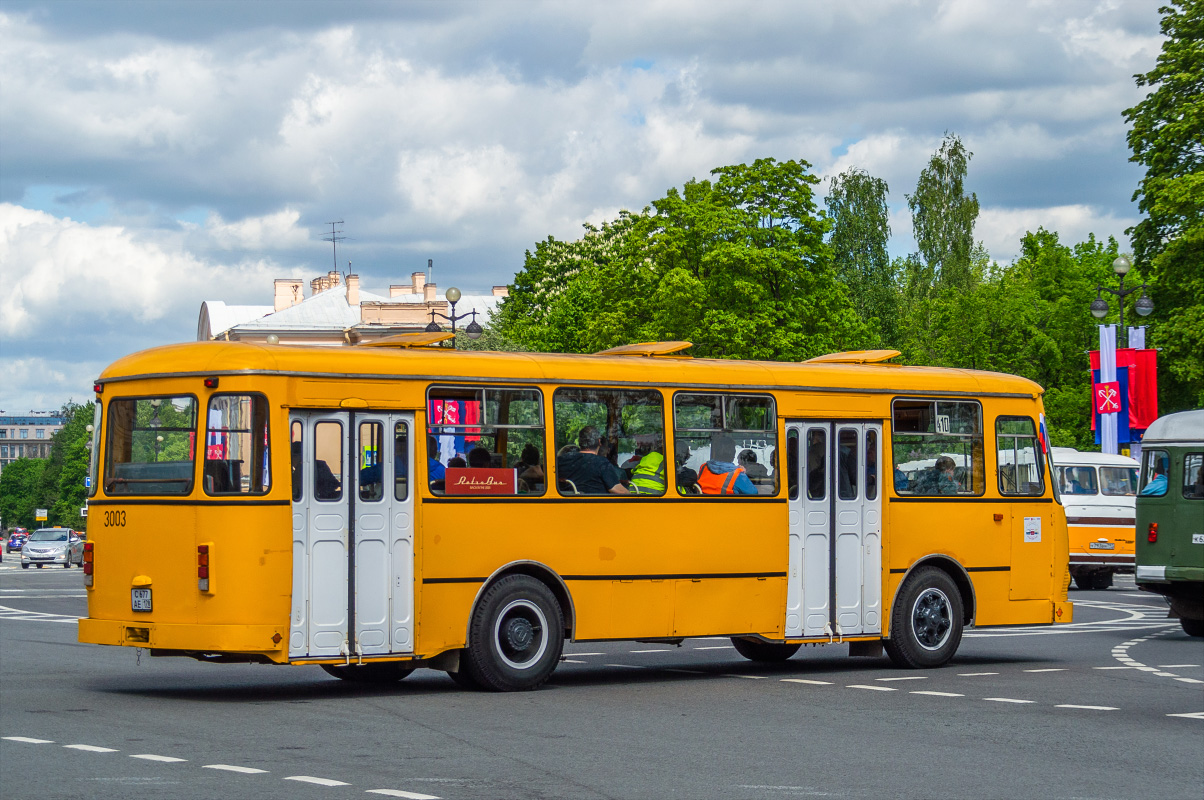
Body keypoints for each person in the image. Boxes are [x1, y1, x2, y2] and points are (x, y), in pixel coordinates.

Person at [557, 426, 629, 495]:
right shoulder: (602, 463)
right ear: (599, 442)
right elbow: (618, 490)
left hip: (566, 505)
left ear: (580, 442)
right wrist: (634, 496)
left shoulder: (561, 460)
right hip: (595, 505)